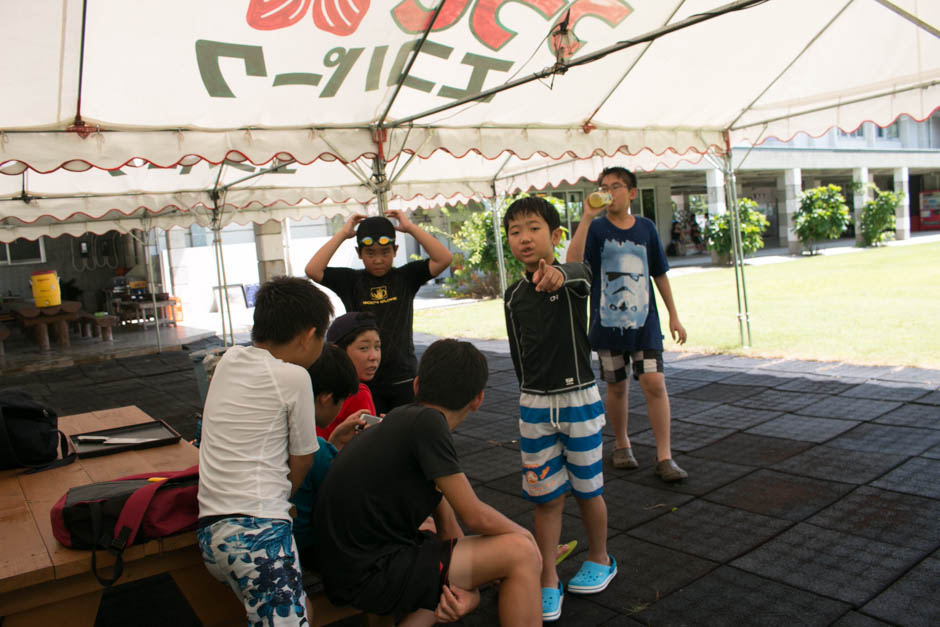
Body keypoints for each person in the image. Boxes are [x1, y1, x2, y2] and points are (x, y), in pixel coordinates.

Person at [312, 339, 543, 627]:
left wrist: (471, 586)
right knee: (520, 554)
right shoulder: (428, 424)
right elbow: (475, 515)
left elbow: (449, 530)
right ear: (478, 399)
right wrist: (531, 543)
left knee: (469, 565)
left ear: (417, 385)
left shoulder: (406, 423)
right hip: (368, 572)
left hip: (346, 566)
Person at [502, 196, 616, 622]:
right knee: (545, 496)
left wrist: (558, 273)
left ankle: (601, 557)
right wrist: (528, 392)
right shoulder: (513, 296)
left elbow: (577, 268)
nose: (524, 238)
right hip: (533, 404)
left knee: (588, 489)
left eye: (533, 228)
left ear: (554, 236)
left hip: (579, 400)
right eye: (515, 231)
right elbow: (518, 356)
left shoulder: (574, 280)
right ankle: (548, 576)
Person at [196, 276, 333, 625]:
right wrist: (287, 496)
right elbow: (304, 456)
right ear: (307, 335)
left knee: (299, 611)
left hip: (212, 533)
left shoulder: (228, 360)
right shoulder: (295, 378)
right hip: (258, 535)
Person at [567, 166, 689, 482]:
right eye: (603, 186)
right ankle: (622, 444)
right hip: (607, 327)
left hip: (645, 324)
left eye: (616, 186)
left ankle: (665, 456)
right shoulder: (595, 230)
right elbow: (571, 262)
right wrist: (585, 218)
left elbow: (658, 273)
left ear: (632, 192)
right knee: (616, 386)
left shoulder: (646, 229)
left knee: (654, 383)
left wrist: (674, 315)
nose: (609, 192)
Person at [305, 210, 453, 414]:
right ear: (359, 253)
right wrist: (342, 234)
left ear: (395, 250)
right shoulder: (351, 282)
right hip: (365, 379)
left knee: (405, 434)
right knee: (372, 436)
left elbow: (444, 258)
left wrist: (410, 228)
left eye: (385, 252)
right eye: (370, 253)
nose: (377, 260)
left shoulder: (405, 278)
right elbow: (313, 270)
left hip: (403, 377)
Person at [292, 343, 370, 569]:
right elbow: (355, 498)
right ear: (325, 397)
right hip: (308, 549)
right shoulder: (315, 449)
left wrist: (334, 441)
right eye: (342, 400)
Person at [317, 311, 381, 438]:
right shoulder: (359, 394)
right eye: (364, 348)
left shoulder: (315, 382)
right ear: (337, 350)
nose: (374, 356)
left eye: (377, 347)